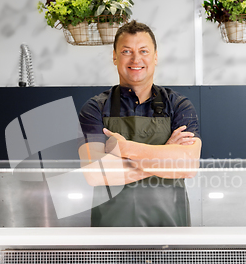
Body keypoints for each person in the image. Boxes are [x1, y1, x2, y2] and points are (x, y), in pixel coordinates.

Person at [78, 20, 201, 227]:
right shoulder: (95, 108)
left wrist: (126, 149)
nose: (136, 59)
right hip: (112, 235)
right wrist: (165, 154)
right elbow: (94, 173)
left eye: (144, 51)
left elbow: (188, 166)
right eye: (127, 51)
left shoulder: (178, 105)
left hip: (170, 231)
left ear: (155, 57)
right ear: (115, 57)